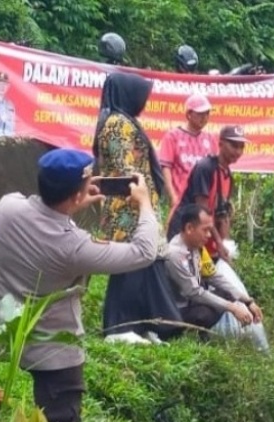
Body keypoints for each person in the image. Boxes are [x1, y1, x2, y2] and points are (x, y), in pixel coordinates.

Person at [0, 149, 159, 422]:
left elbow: (43, 217)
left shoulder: (7, 208)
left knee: (62, 418)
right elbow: (143, 251)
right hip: (55, 352)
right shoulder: (72, 246)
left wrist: (72, 202)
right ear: (76, 193)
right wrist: (144, 203)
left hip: (12, 334)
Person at [93, 71, 181, 345]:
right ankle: (119, 328)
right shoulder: (118, 124)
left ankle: (144, 325)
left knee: (144, 266)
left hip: (138, 204)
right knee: (130, 266)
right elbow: (123, 167)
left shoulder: (123, 121)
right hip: (128, 209)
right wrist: (143, 195)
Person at [164, 204, 267, 350]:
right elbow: (194, 292)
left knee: (226, 292)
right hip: (176, 312)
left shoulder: (195, 247)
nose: (209, 235)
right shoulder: (174, 255)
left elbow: (213, 276)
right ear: (189, 228)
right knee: (204, 314)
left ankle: (203, 335)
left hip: (191, 303)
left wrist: (247, 301)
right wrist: (232, 308)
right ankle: (193, 338)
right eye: (205, 230)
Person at [167, 125, 247, 263]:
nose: (238, 151)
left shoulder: (228, 175)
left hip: (203, 236)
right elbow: (202, 213)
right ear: (220, 144)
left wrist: (226, 244)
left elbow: (223, 216)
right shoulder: (206, 168)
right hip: (184, 233)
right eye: (234, 145)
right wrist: (219, 243)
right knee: (184, 280)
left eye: (241, 147)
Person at [161, 93, 217, 217]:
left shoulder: (211, 139)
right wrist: (173, 196)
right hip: (181, 201)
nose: (204, 117)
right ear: (189, 114)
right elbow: (166, 168)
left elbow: (215, 171)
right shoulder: (172, 136)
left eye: (207, 113)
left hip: (203, 202)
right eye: (200, 114)